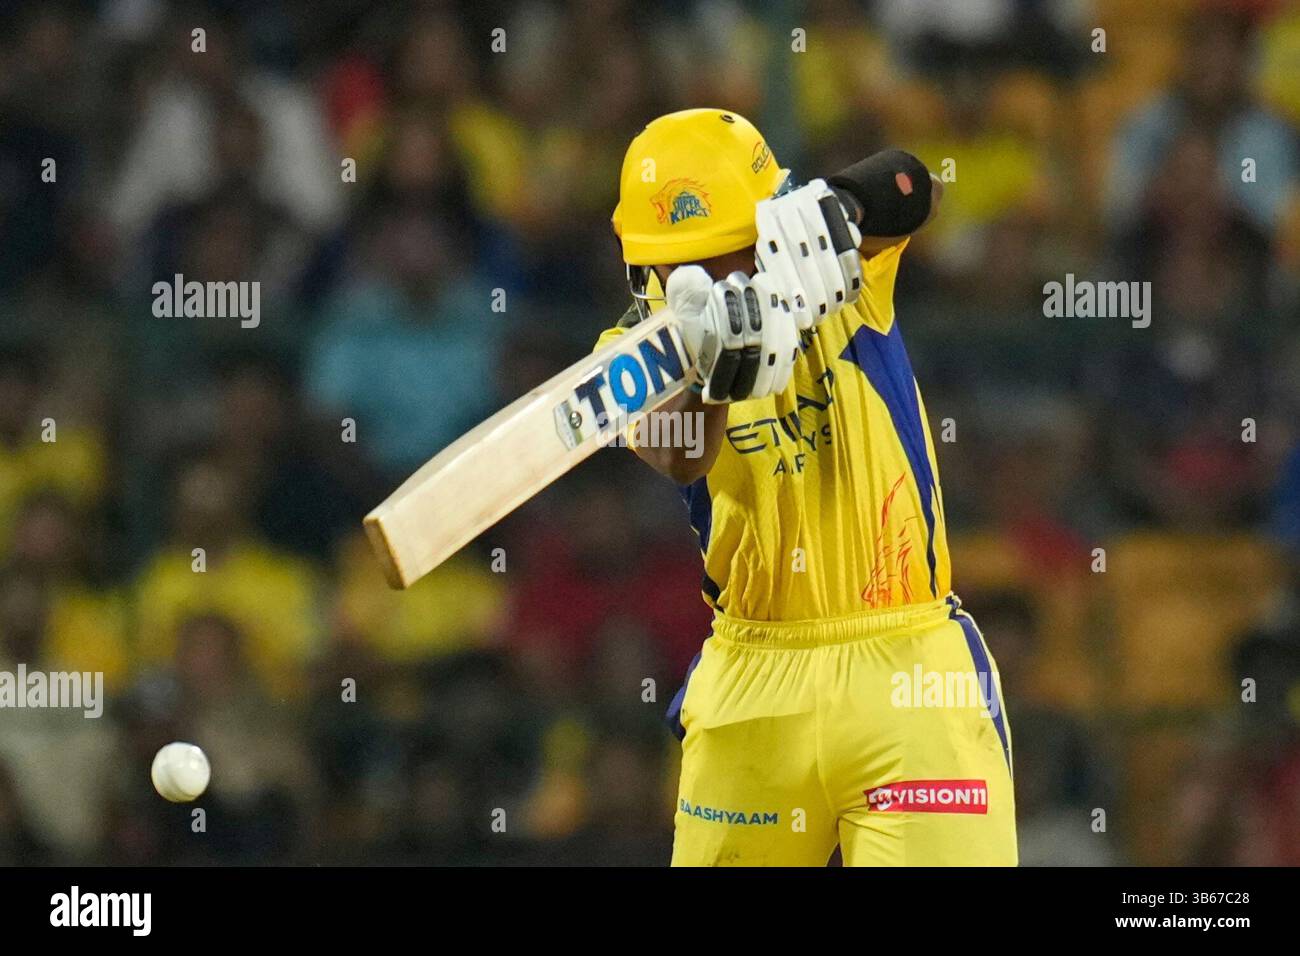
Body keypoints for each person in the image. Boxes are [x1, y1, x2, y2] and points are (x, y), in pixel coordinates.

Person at [597, 108, 1015, 866]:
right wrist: (718, 373)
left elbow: (917, 184)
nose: (710, 277)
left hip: (908, 668)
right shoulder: (628, 352)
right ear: (642, 267)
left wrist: (842, 209)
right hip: (752, 687)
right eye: (682, 264)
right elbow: (681, 453)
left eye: (730, 254)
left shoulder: (839, 271)